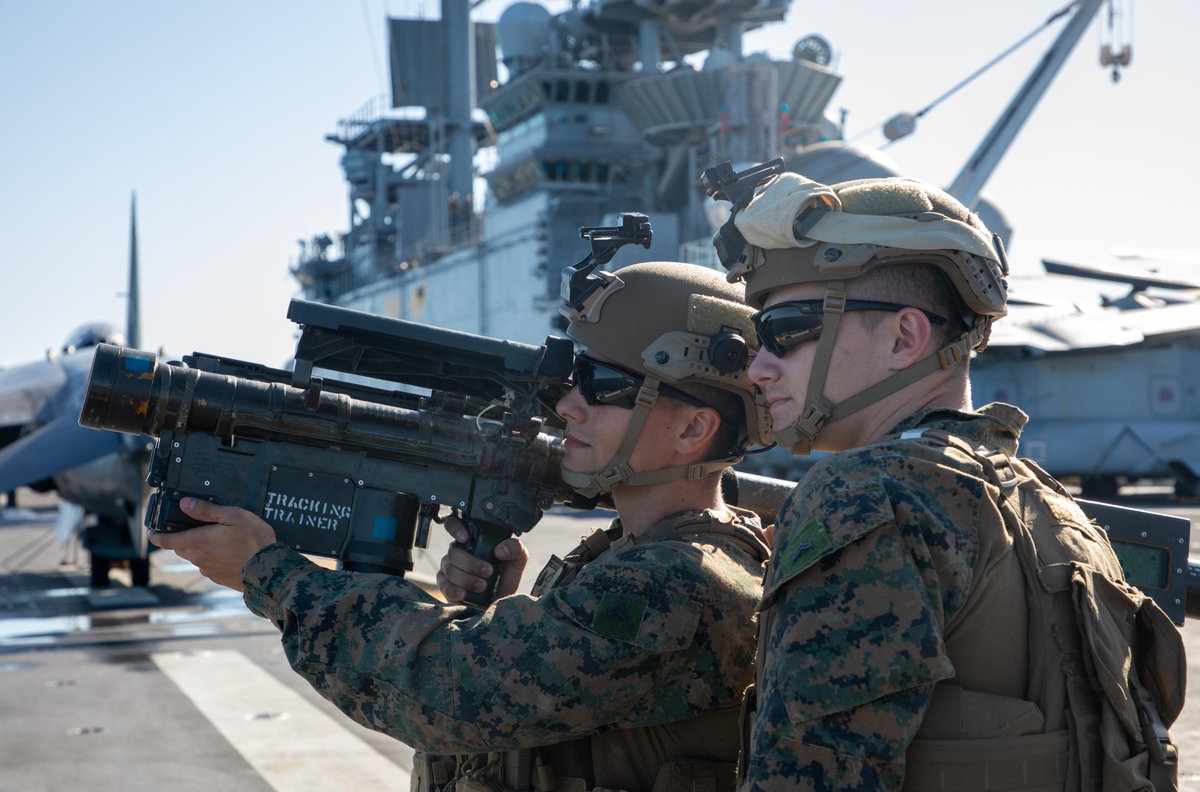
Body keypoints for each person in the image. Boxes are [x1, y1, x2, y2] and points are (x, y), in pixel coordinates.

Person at [148, 260, 772, 792]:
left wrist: (272, 576)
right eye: (571, 378)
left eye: (603, 385)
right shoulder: (633, 553)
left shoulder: (678, 582)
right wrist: (494, 611)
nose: (566, 405)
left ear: (694, 430)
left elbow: (442, 688)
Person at [716, 170, 1185, 790]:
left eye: (786, 332)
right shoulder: (1047, 503)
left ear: (904, 336)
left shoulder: (865, 495)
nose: (759, 367)